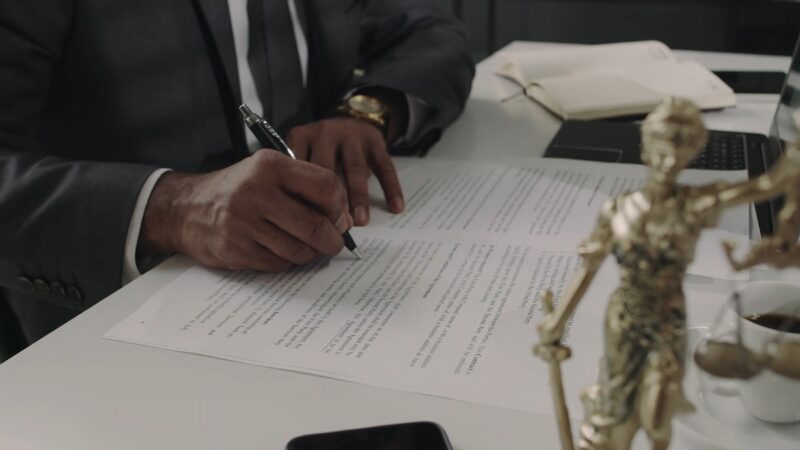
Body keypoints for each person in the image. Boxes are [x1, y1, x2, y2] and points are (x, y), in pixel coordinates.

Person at [0, 0, 474, 358]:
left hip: (320, 307)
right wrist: (172, 208)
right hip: (117, 329)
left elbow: (430, 31)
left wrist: (367, 110)